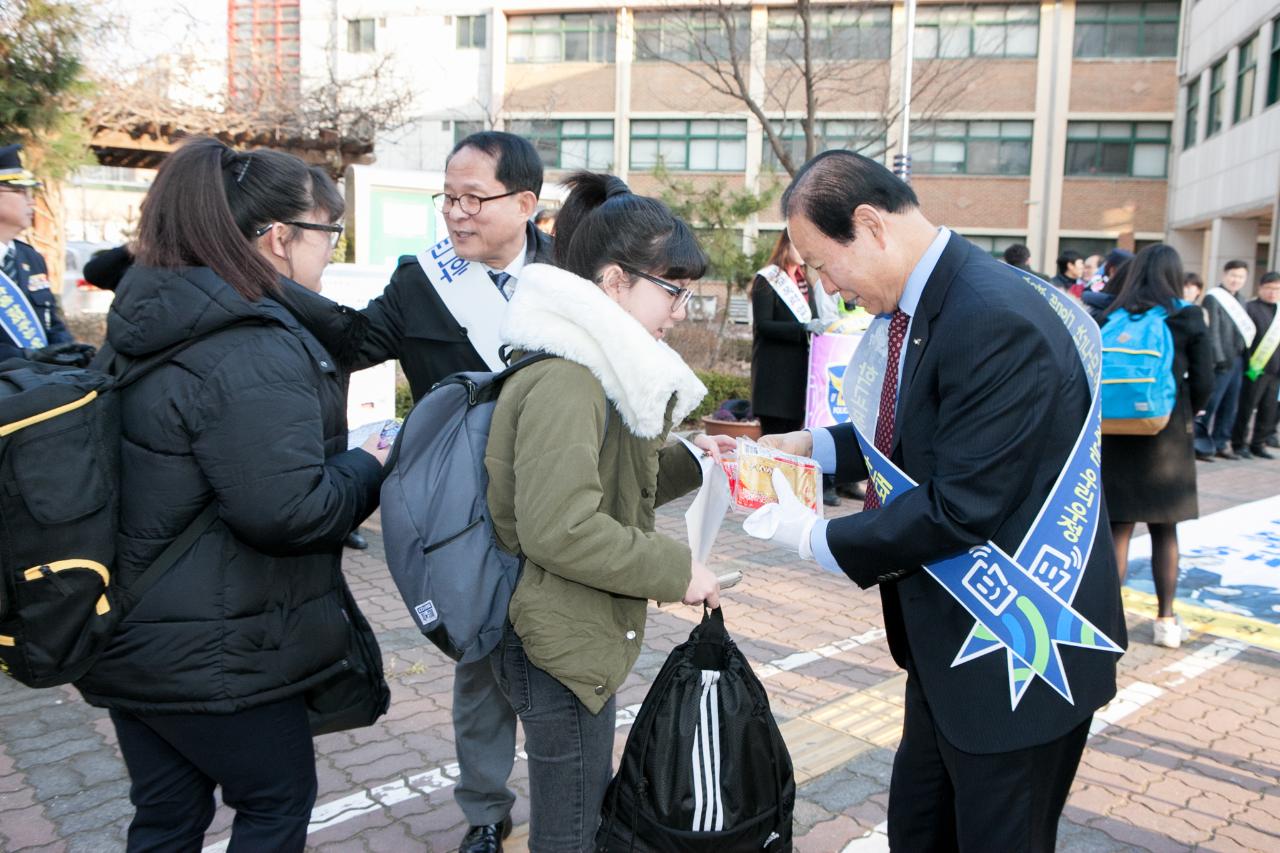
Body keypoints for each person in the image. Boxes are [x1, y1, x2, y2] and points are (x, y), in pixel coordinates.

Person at [743, 151, 1125, 852]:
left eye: (825, 264)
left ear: (870, 226)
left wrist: (813, 537)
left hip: (1016, 651)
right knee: (919, 831)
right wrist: (815, 446)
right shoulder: (937, 299)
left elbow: (960, 504)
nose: (828, 286)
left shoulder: (989, 315)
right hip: (951, 644)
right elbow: (920, 431)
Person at [73, 137, 387, 851]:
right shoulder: (251, 342)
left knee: (166, 817)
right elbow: (289, 510)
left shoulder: (150, 310)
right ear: (280, 238)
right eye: (326, 233)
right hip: (218, 649)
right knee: (276, 801)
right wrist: (371, 461)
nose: (330, 252)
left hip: (129, 631)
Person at [483, 171, 727, 851]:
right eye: (671, 290)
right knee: (572, 828)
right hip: (557, 635)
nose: (678, 310)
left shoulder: (597, 366)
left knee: (581, 811)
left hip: (570, 625)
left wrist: (700, 460)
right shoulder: (570, 376)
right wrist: (678, 570)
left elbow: (616, 485)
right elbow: (561, 527)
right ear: (616, 282)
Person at [353, 131, 553, 853]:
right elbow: (351, 341)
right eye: (448, 197)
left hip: (560, 508)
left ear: (525, 202)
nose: (457, 213)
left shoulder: (576, 273)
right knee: (482, 668)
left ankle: (574, 798)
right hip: (466, 519)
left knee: (568, 657)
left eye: (474, 198)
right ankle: (486, 811)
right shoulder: (420, 282)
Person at [1096, 245, 1214, 648]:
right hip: (1165, 434)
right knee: (1165, 531)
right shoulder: (1186, 314)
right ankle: (1165, 622)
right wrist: (1188, 409)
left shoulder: (1110, 314)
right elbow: (1205, 381)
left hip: (1113, 432)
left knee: (1118, 531)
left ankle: (1108, 622)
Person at [749, 230, 838, 505]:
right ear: (787, 245)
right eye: (800, 246)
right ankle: (765, 489)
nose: (804, 253)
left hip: (799, 371)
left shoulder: (804, 281)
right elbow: (763, 325)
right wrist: (803, 327)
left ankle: (784, 491)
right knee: (773, 433)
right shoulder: (768, 279)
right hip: (774, 373)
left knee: (792, 433)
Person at [0, 143, 92, 366]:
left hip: (33, 389)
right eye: (21, 192)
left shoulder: (31, 259)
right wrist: (25, 356)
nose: (32, 201)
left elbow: (51, 324)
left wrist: (67, 349)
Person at [1196, 260, 1255, 461]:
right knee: (1211, 403)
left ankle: (1222, 442)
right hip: (1220, 362)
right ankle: (1200, 445)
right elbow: (1212, 332)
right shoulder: (1214, 298)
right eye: (1233, 275)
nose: (1236, 280)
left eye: (1240, 277)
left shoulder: (1242, 299)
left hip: (1237, 360)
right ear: (1224, 275)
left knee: (1230, 405)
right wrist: (1219, 359)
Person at [1231, 271, 1280, 459]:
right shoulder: (1249, 308)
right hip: (1254, 369)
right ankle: (1239, 443)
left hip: (1275, 372)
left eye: (1276, 289)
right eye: (1268, 288)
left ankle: (1258, 443)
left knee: (1268, 409)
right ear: (1260, 288)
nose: (1272, 292)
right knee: (1246, 408)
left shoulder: (1278, 310)